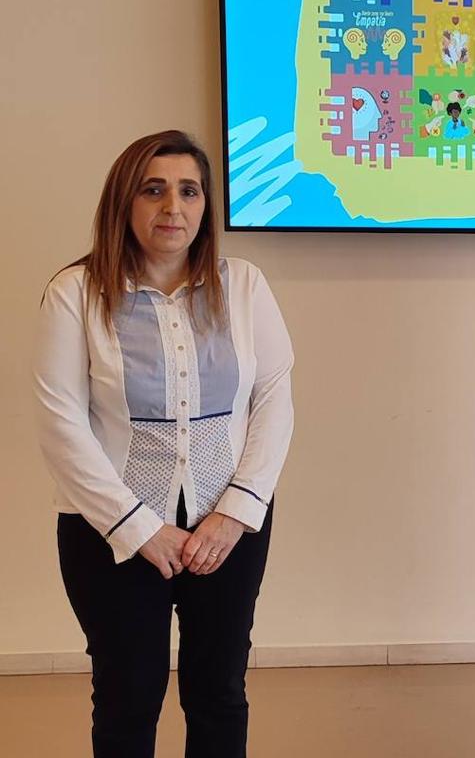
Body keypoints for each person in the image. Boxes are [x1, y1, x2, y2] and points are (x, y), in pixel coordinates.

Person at [34, 130, 295, 758]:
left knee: (219, 692)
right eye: (153, 190)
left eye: (188, 191)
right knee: (127, 695)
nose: (172, 207)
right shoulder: (75, 293)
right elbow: (61, 421)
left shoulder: (246, 286)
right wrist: (140, 529)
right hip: (108, 535)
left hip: (227, 529)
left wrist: (235, 513)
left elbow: (274, 397)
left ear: (206, 206)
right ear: (124, 202)